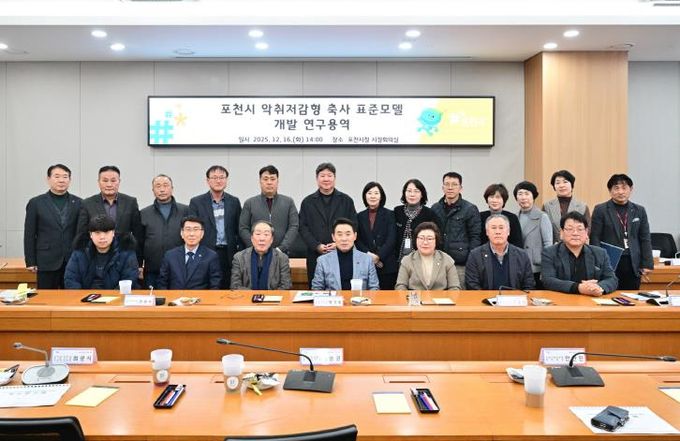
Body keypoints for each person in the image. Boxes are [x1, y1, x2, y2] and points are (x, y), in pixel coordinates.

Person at [590, 173, 653, 290]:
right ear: (610, 191)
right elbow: (595, 238)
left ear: (631, 189)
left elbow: (645, 238)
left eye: (624, 188)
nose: (620, 192)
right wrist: (598, 263)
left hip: (633, 262)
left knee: (631, 296)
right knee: (608, 293)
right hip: (610, 261)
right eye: (616, 188)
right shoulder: (600, 210)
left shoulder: (639, 210)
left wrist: (647, 263)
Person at [299, 163, 357, 287]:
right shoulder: (307, 202)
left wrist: (339, 243)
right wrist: (316, 246)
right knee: (317, 289)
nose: (326, 179)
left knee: (342, 288)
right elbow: (303, 228)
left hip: (342, 253)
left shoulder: (346, 200)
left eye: (329, 175)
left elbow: (354, 225)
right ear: (317, 178)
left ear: (334, 178)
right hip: (315, 255)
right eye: (322, 176)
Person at [24, 164, 82, 289]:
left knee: (72, 296)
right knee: (46, 296)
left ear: (70, 180)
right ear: (48, 179)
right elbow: (29, 234)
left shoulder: (79, 202)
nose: (61, 180)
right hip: (46, 260)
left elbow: (81, 233)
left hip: (71, 259)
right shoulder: (36, 203)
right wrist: (30, 261)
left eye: (65, 177)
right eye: (57, 176)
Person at [74, 165, 143, 267]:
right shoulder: (87, 203)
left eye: (113, 180)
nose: (109, 184)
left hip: (124, 257)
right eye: (105, 180)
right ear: (98, 182)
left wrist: (139, 262)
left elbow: (138, 234)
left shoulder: (130, 202)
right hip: (96, 258)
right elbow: (81, 234)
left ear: (119, 181)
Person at [189, 165, 242, 289]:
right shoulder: (196, 202)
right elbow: (192, 230)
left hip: (228, 253)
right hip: (205, 252)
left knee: (227, 287)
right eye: (214, 177)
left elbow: (239, 228)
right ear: (208, 181)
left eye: (222, 177)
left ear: (226, 180)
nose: (218, 181)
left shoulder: (234, 201)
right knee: (206, 287)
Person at [541, 211, 618, 295]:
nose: (575, 233)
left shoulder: (600, 253)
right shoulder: (549, 253)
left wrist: (598, 287)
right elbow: (548, 280)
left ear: (586, 232)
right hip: (562, 299)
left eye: (580, 229)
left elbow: (612, 279)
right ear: (562, 233)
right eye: (570, 229)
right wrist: (578, 288)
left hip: (591, 299)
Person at [431, 171, 481, 286]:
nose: (450, 187)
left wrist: (470, 261)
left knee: (458, 294)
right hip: (438, 262)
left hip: (460, 264)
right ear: (442, 187)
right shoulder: (435, 208)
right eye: (447, 184)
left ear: (460, 188)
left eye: (454, 184)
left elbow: (475, 237)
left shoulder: (470, 209)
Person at [140, 174, 189, 288]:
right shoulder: (144, 213)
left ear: (172, 188)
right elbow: (139, 241)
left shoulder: (185, 210)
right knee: (153, 297)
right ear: (153, 190)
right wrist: (139, 265)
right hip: (153, 269)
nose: (162, 189)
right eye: (158, 186)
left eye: (166, 185)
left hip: (180, 267)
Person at [64, 214, 139, 289]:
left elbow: (129, 279)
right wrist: (82, 296)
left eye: (106, 232)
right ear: (91, 234)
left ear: (113, 233)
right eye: (97, 233)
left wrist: (112, 296)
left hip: (116, 295)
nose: (102, 237)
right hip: (85, 295)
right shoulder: (80, 251)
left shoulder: (126, 252)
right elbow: (71, 279)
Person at [239, 165, 299, 256]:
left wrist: (282, 248)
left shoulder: (288, 202)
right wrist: (256, 247)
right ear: (260, 182)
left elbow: (294, 226)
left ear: (277, 181)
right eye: (265, 179)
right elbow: (243, 228)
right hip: (255, 253)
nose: (269, 182)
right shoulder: (250, 203)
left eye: (272, 179)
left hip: (282, 253)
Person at [465, 214, 534, 290]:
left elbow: (529, 285)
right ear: (487, 232)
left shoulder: (522, 255)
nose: (497, 232)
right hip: (485, 297)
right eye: (493, 228)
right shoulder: (475, 255)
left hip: (515, 297)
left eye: (501, 228)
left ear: (508, 231)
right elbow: (472, 285)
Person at [311, 218, 379, 291]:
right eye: (339, 235)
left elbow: (374, 288)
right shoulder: (323, 261)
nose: (344, 239)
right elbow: (316, 288)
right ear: (333, 237)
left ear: (355, 236)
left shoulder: (367, 259)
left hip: (360, 298)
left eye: (348, 234)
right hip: (334, 298)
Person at [156, 216, 222, 290]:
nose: (191, 234)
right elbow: (162, 282)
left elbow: (215, 285)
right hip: (175, 297)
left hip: (200, 297)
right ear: (182, 233)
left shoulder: (211, 256)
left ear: (202, 233)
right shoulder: (170, 255)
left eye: (196, 229)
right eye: (188, 229)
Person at [355, 182, 398, 290]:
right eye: (369, 193)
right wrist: (369, 255)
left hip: (387, 265)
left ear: (381, 196)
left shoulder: (390, 214)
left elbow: (392, 239)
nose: (372, 196)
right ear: (365, 196)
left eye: (376, 193)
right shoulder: (359, 216)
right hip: (366, 264)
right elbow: (357, 239)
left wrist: (378, 256)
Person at [395, 222, 460, 290]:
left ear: (436, 240)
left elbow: (454, 287)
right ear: (416, 240)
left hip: (441, 296)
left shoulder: (447, 260)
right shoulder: (407, 260)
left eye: (429, 239)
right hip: (414, 296)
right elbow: (400, 286)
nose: (425, 242)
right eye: (421, 238)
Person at [231, 220, 292, 290]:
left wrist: (268, 296)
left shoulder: (282, 258)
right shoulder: (239, 257)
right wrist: (255, 295)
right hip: (246, 297)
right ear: (252, 238)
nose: (262, 239)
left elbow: (286, 286)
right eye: (258, 234)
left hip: (273, 297)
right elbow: (235, 286)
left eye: (266, 234)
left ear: (272, 239)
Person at [513, 181, 552, 288]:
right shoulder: (514, 217)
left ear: (533, 196)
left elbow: (548, 245)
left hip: (536, 266)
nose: (523, 197)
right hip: (518, 265)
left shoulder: (542, 216)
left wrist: (546, 269)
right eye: (520, 194)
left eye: (527, 194)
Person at [394, 178, 441, 264]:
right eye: (409, 191)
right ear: (404, 193)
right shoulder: (397, 211)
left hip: (421, 261)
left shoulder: (429, 214)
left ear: (422, 194)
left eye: (416, 191)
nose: (412, 194)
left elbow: (437, 239)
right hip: (398, 260)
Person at [542, 169, 591, 243]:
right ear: (554, 187)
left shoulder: (582, 206)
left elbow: (587, 229)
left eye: (565, 182)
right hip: (554, 246)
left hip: (576, 245)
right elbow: (544, 229)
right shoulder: (547, 206)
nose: (561, 185)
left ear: (572, 185)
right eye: (557, 183)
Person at [479, 183, 523, 248]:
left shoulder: (512, 218)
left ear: (504, 200)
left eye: (498, 197)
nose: (494, 200)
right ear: (487, 199)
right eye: (491, 197)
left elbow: (517, 243)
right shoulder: (479, 217)